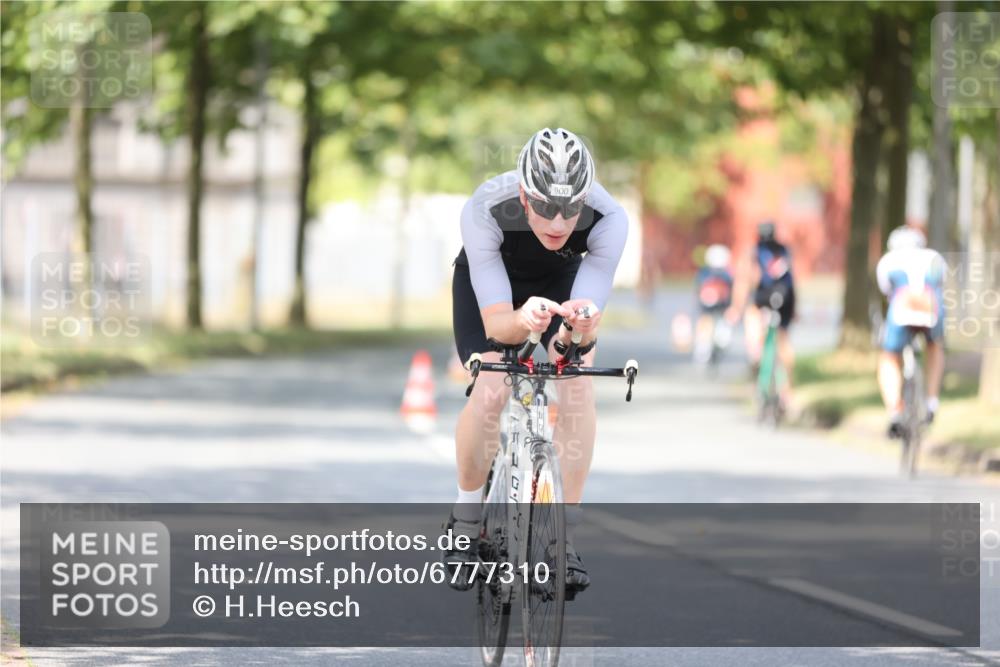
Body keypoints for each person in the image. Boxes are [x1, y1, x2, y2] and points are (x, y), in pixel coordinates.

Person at [444, 127, 628, 595]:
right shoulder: (485, 208)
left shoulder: (609, 218)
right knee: (492, 388)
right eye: (545, 206)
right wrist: (522, 320)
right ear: (525, 195)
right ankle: (466, 520)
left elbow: (576, 336)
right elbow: (499, 326)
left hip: (561, 280)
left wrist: (577, 329)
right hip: (490, 289)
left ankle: (562, 537)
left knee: (577, 382)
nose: (559, 221)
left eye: (571, 208)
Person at [875, 226, 947, 437]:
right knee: (934, 346)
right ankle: (932, 401)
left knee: (889, 357)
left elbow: (886, 290)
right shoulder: (935, 257)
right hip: (930, 307)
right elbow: (941, 284)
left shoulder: (888, 260)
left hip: (902, 308)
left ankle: (895, 411)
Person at [728, 221, 797, 402]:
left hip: (760, 300)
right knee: (784, 345)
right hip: (784, 301)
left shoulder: (754, 251)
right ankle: (786, 393)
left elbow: (743, 280)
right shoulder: (784, 251)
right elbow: (792, 281)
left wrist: (736, 307)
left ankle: (759, 372)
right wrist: (795, 308)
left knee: (754, 342)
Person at [692, 244, 734, 366]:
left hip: (718, 308)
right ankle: (704, 347)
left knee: (716, 325)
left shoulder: (706, 273)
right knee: (708, 323)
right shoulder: (724, 274)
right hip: (713, 307)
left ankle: (705, 347)